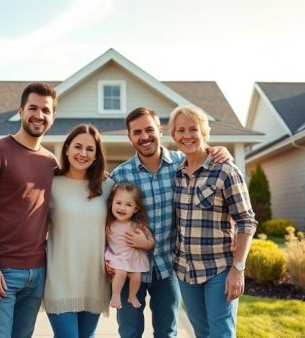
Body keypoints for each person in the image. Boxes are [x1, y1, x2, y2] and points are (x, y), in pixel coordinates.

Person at [110, 107, 233, 337]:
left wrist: (220, 151)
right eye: (137, 132)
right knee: (129, 331)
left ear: (160, 130)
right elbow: (106, 219)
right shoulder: (119, 176)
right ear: (129, 137)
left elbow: (206, 157)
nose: (144, 136)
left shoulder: (183, 165)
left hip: (168, 268)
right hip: (128, 269)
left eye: (149, 129)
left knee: (167, 332)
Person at [0, 82, 58, 338]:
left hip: (38, 272)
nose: (39, 115)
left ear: (53, 116)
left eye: (46, 110)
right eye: (33, 108)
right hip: (1, 270)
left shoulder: (51, 162)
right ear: (20, 110)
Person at [169, 105, 257, 338]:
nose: (187, 135)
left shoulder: (226, 170)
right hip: (186, 272)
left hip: (219, 270)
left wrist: (238, 268)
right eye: (180, 130)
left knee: (220, 334)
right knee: (202, 333)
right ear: (173, 136)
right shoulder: (176, 173)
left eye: (193, 129)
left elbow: (246, 221)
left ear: (204, 132)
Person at [44, 124, 114, 338]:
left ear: (96, 155)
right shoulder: (50, 183)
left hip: (94, 280)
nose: (83, 154)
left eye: (90, 149)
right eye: (77, 146)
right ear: (66, 149)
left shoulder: (108, 186)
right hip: (60, 279)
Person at [105, 182, 155, 310]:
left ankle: (132, 296)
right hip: (117, 256)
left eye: (128, 205)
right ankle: (115, 296)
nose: (122, 208)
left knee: (136, 276)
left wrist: (145, 243)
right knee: (120, 272)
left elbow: (151, 241)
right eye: (118, 203)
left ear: (136, 209)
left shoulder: (137, 225)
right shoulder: (108, 224)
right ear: (112, 203)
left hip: (133, 257)